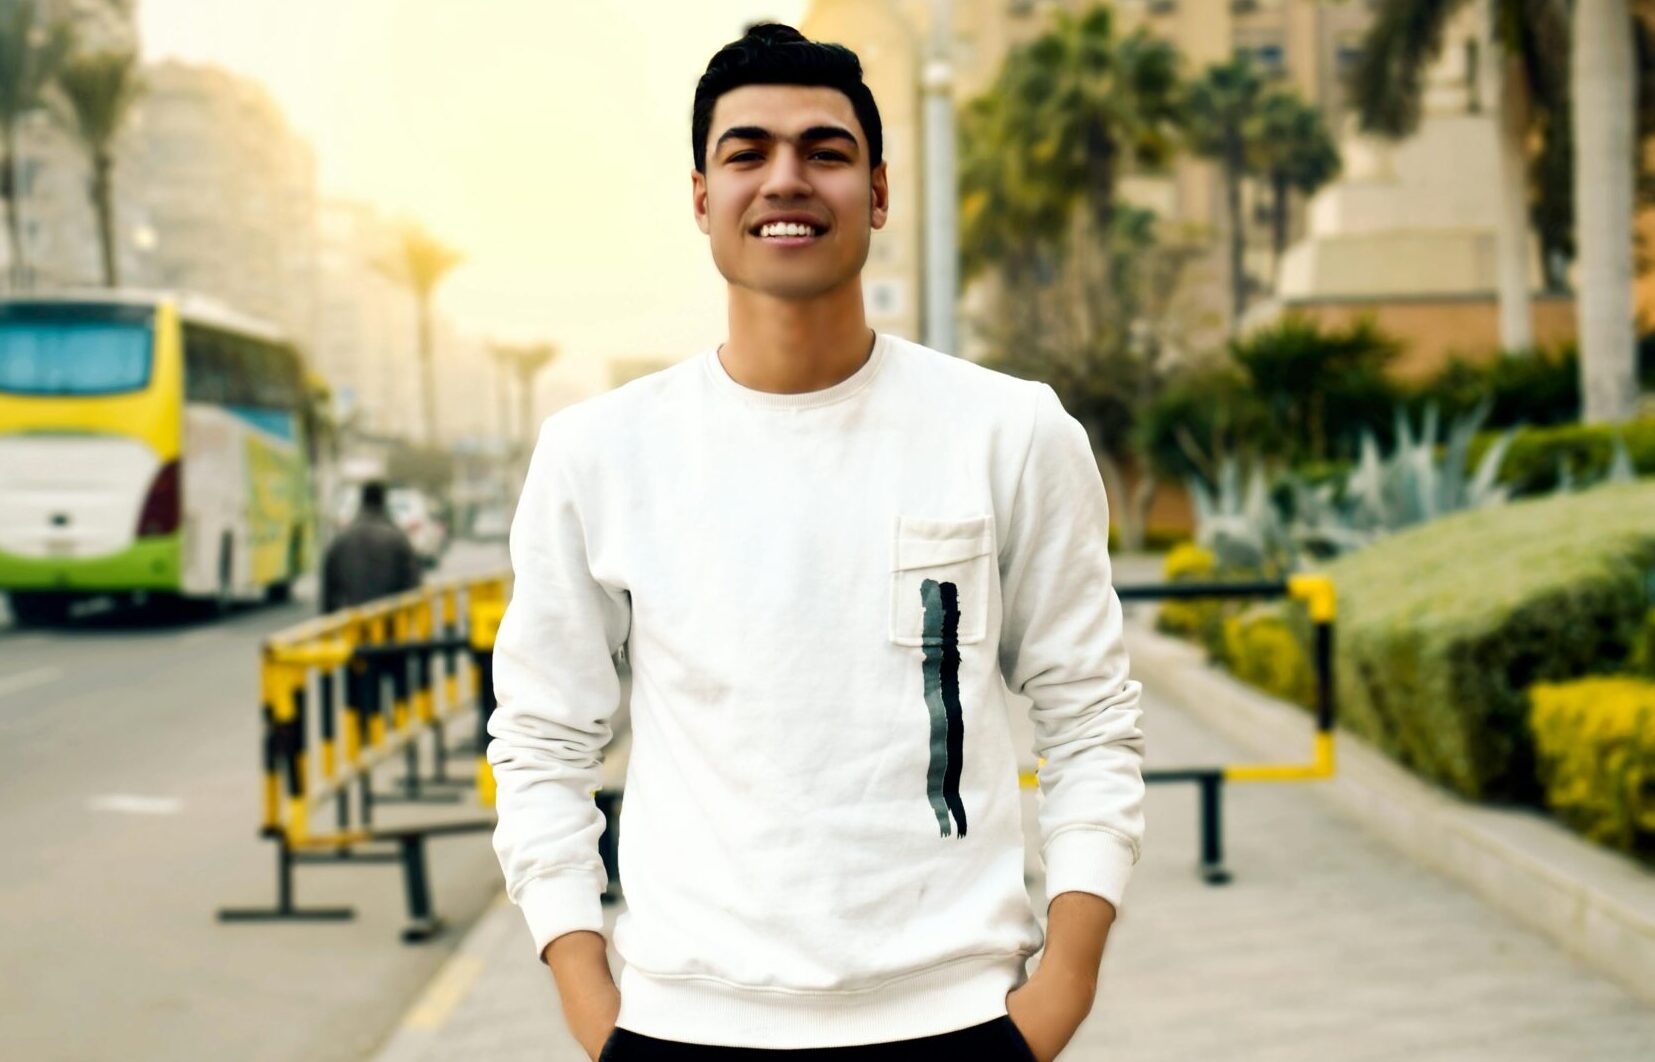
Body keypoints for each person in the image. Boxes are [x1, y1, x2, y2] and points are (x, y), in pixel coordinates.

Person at [487, 23, 1144, 1062]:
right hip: (677, 1025)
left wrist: (1062, 985)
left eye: (824, 153)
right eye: (746, 153)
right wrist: (588, 998)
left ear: (877, 193)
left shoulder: (1008, 430)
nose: (784, 179)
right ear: (701, 197)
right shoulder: (598, 453)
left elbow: (1089, 718)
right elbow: (539, 742)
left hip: (959, 1020)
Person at [320, 479, 422, 613]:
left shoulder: (342, 539)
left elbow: (329, 588)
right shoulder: (398, 539)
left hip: (351, 622)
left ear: (362, 501)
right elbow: (412, 584)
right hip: (388, 620)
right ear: (384, 501)